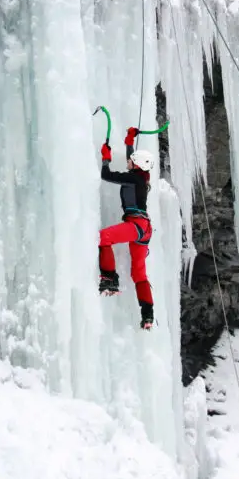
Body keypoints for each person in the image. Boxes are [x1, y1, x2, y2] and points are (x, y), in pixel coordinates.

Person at [98, 126, 155, 329]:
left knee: (103, 238)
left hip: (136, 225)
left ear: (136, 165)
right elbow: (133, 160)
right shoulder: (141, 178)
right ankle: (148, 315)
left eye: (131, 161)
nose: (128, 162)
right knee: (139, 274)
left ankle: (109, 279)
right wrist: (129, 141)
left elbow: (107, 175)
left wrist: (106, 157)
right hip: (144, 229)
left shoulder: (133, 178)